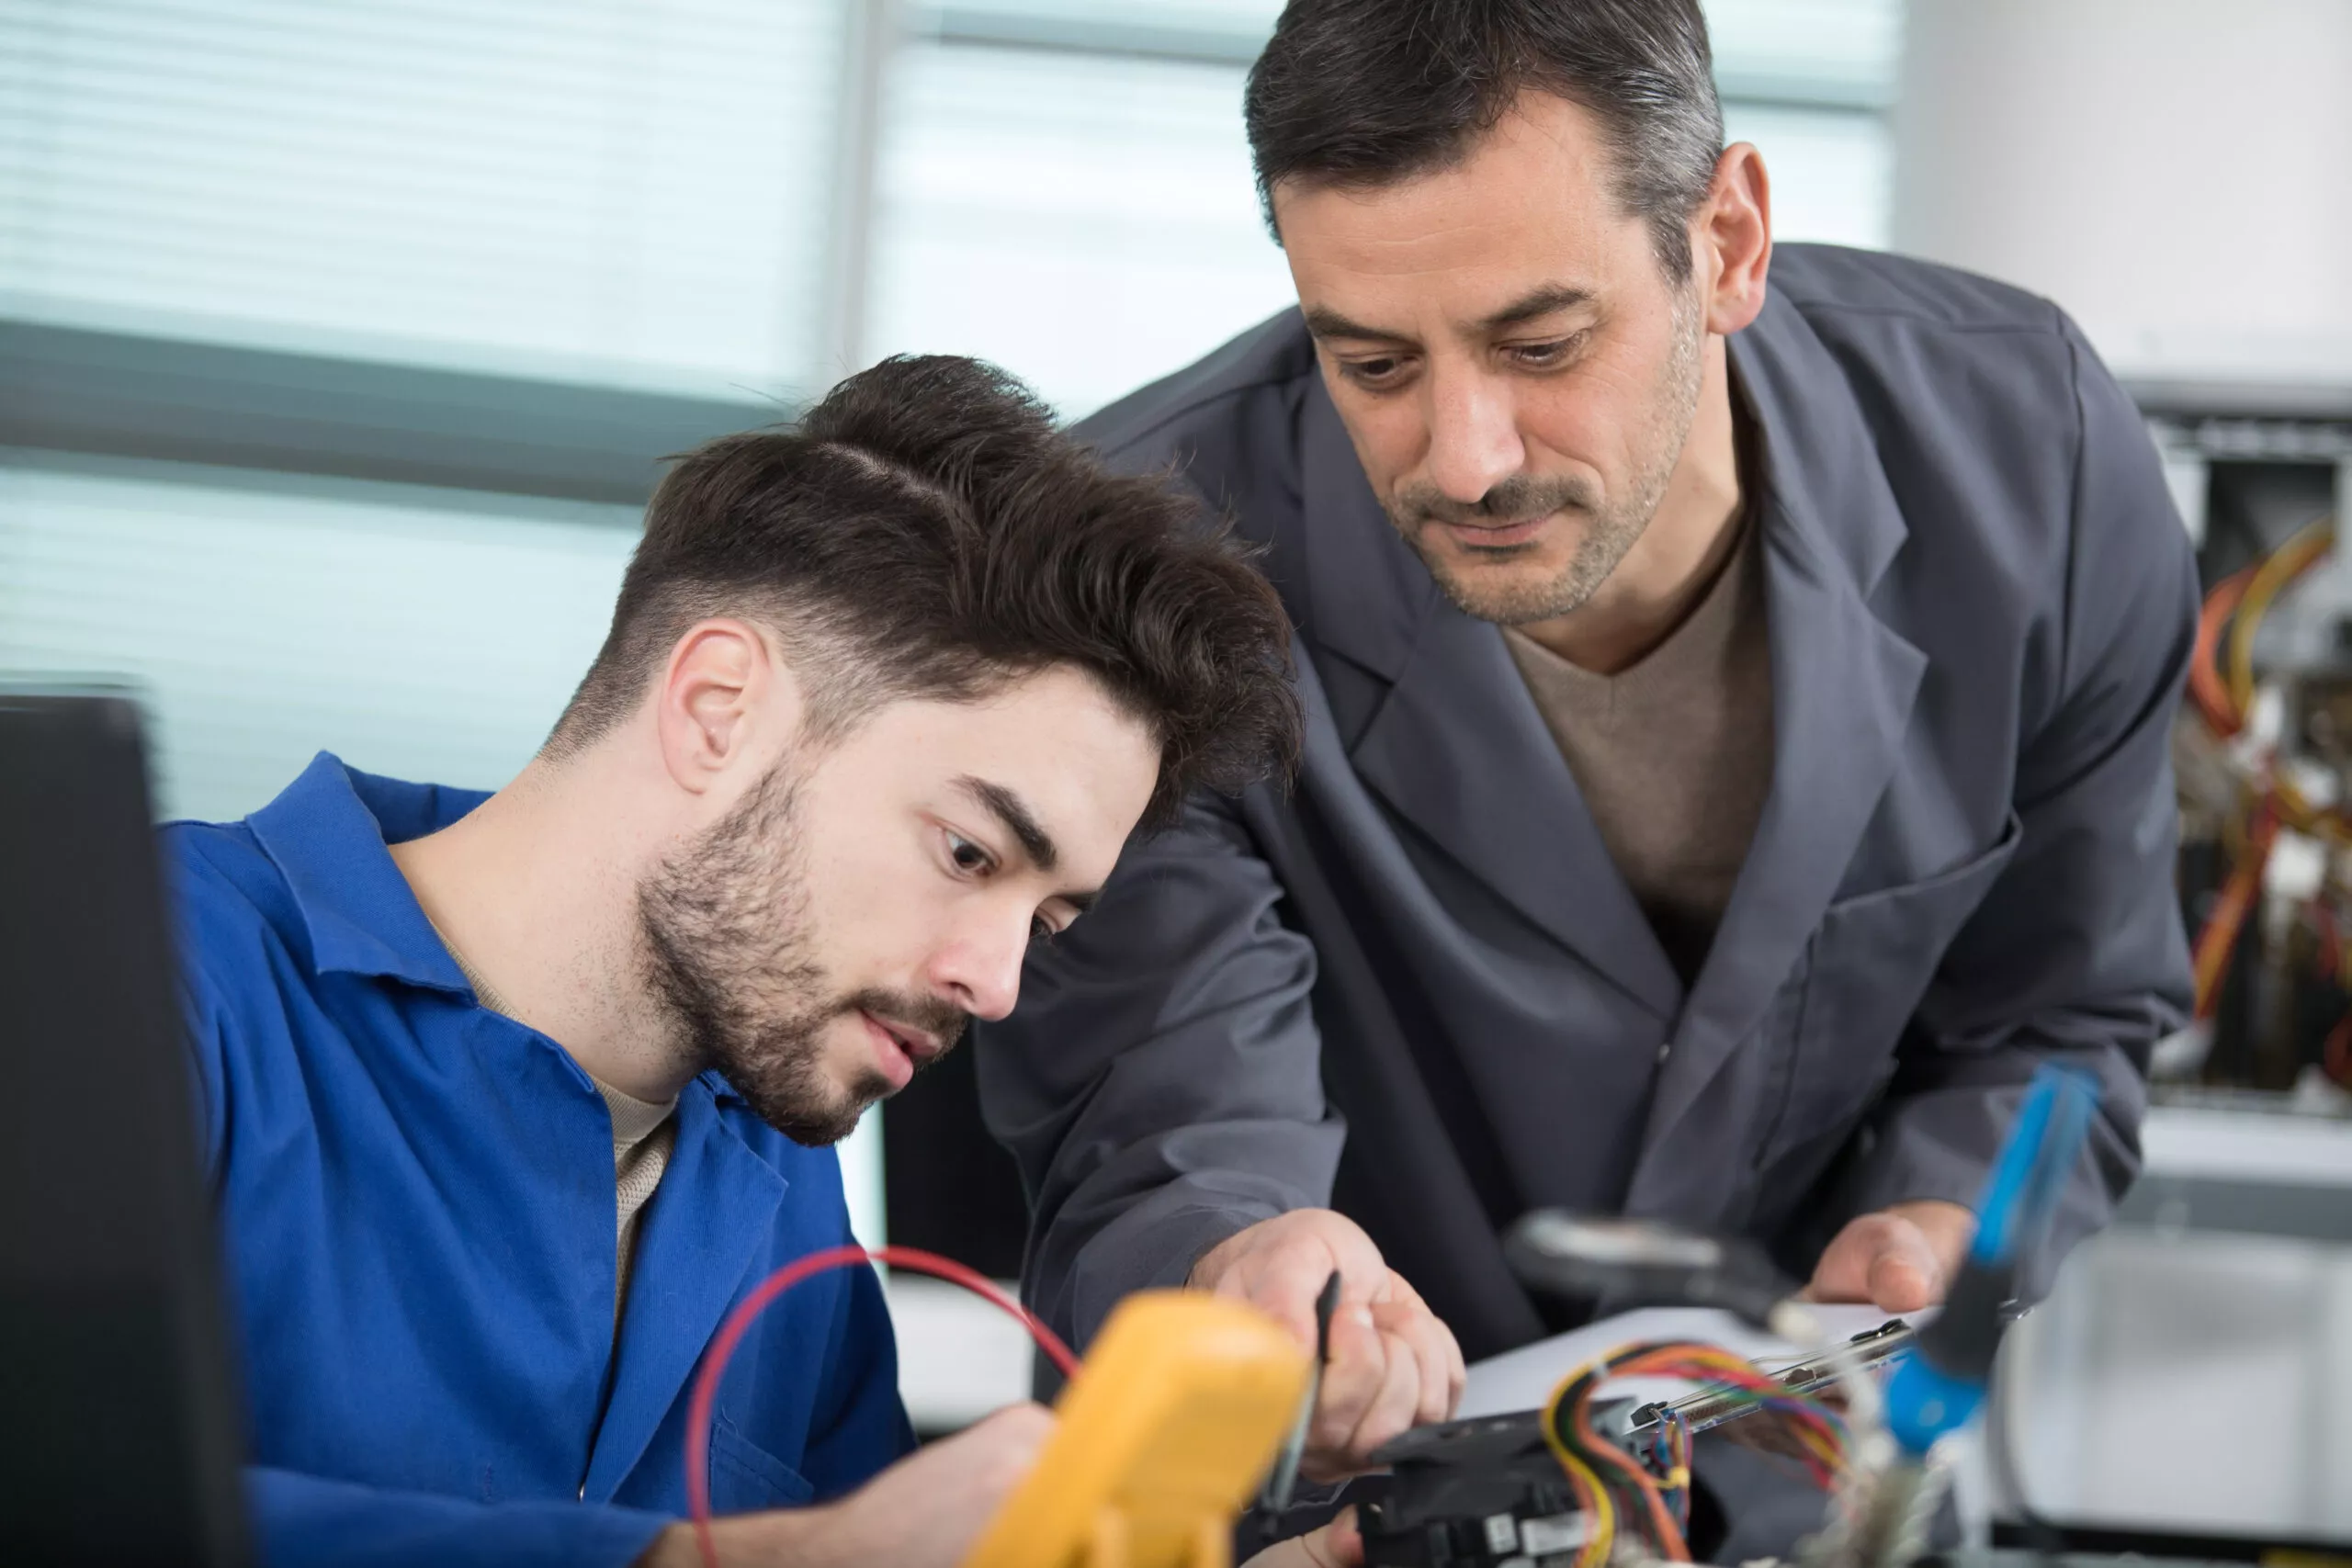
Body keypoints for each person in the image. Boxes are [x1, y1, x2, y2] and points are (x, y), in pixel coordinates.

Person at [977, 0, 2197, 1483]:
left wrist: (1947, 1220)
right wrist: (1250, 1264)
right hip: (1344, 1501)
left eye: (1540, 341)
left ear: (1729, 243)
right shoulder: (1137, 569)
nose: (1466, 455)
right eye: (1371, 365)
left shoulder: (2036, 457)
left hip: (1795, 1477)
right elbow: (1166, 1121)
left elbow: (2061, 1015)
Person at [167, 355, 1343, 1568]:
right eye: (968, 850)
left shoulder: (782, 1177)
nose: (998, 985)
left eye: (1047, 922)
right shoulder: (139, 973)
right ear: (718, 707)